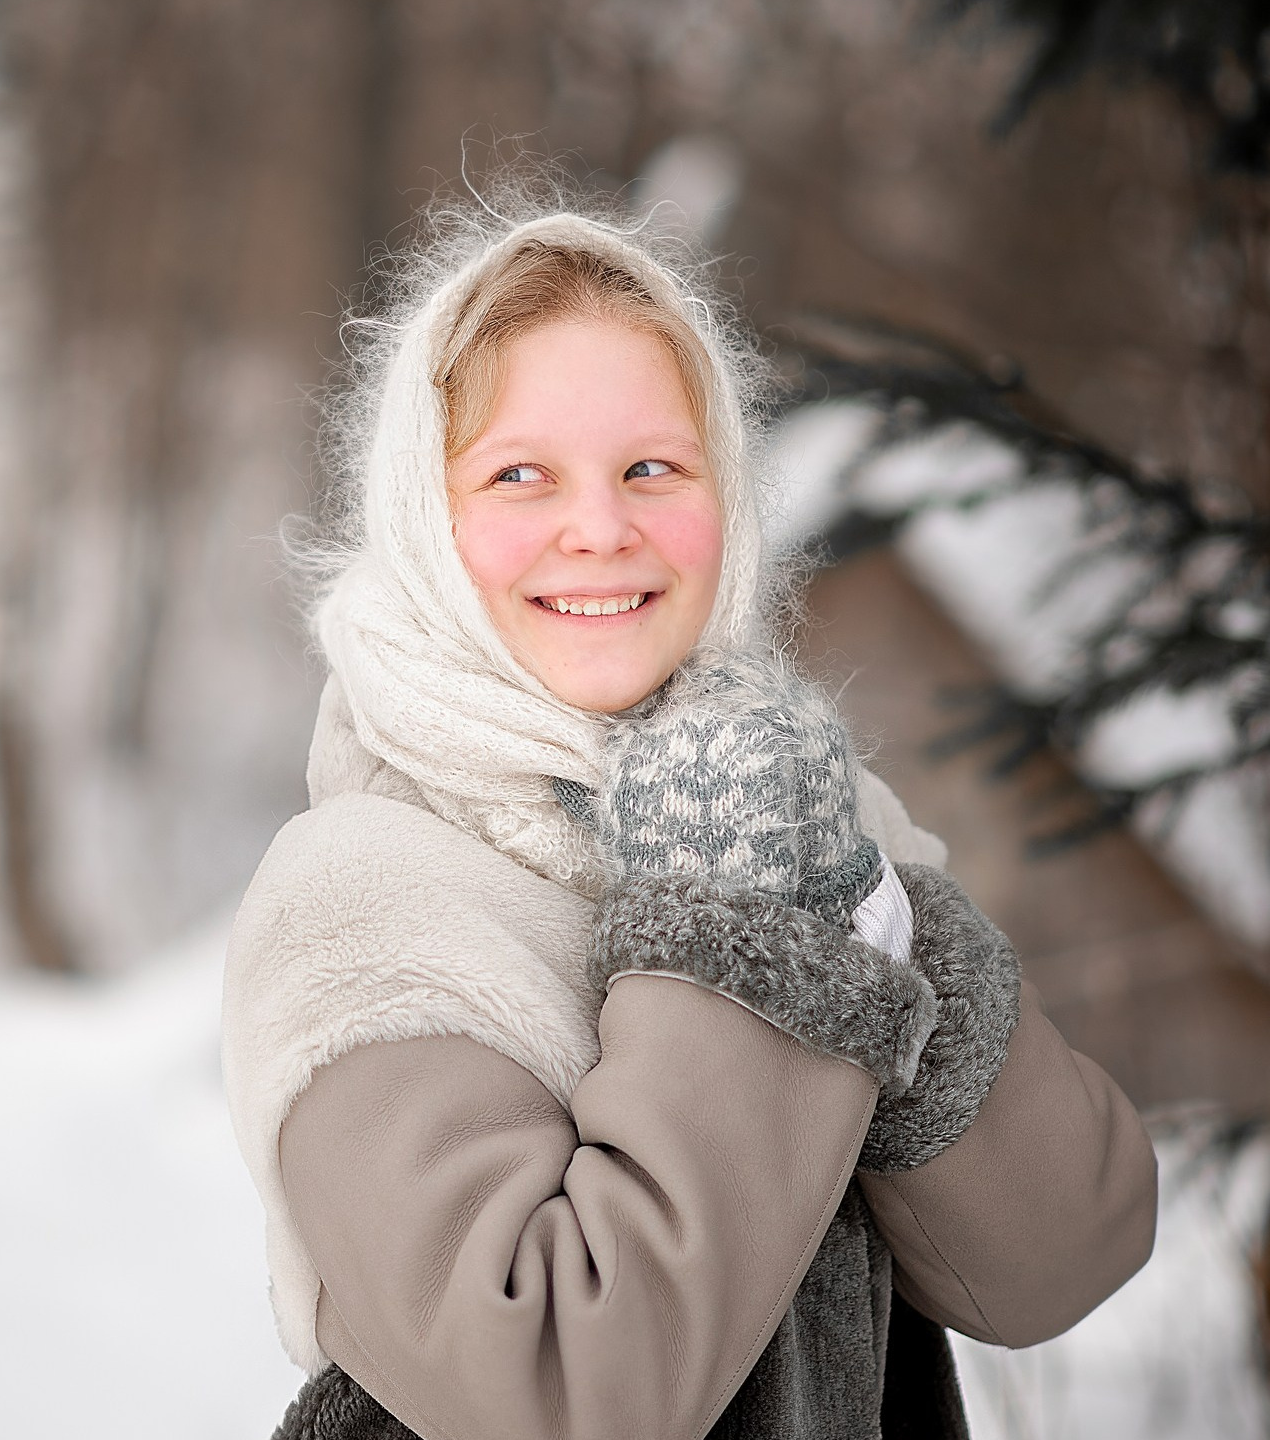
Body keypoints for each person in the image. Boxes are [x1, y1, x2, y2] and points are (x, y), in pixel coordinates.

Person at [221, 201, 1159, 1440]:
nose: (600, 529)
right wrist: (741, 942)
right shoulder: (362, 904)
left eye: (652, 469)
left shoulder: (812, 811)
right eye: (518, 475)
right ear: (424, 522)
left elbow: (1058, 1257)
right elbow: (566, 1393)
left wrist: (839, 892)